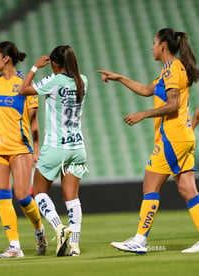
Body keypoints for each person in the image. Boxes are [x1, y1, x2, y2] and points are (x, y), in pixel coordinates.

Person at [97, 28, 199, 254]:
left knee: (150, 186)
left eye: (154, 43)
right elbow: (146, 90)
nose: (151, 47)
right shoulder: (169, 70)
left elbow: (172, 105)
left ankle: (140, 240)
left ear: (163, 45)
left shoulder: (172, 69)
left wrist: (142, 115)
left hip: (172, 138)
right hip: (184, 136)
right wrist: (120, 77)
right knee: (187, 189)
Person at [0, 41, 46, 258]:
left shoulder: (26, 85)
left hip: (19, 148)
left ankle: (39, 231)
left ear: (6, 59)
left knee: (23, 196)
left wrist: (36, 148)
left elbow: (33, 120)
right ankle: (14, 246)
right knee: (3, 197)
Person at [19, 45, 88, 257]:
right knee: (72, 197)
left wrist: (34, 67)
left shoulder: (54, 81)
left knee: (39, 192)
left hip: (55, 147)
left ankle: (59, 228)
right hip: (77, 147)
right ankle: (74, 246)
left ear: (54, 64)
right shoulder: (83, 81)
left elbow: (23, 89)